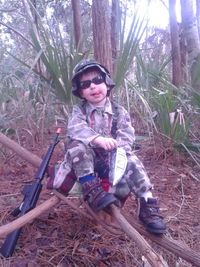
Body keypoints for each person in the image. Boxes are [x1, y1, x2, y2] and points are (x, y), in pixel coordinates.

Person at [47, 59, 166, 234]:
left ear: (107, 83)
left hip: (112, 160)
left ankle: (147, 203)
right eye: (86, 84)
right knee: (76, 145)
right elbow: (75, 128)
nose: (93, 87)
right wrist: (97, 139)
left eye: (97, 81)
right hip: (85, 161)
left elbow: (127, 134)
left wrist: (119, 150)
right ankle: (91, 188)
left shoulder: (119, 111)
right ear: (80, 92)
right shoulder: (79, 111)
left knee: (133, 160)